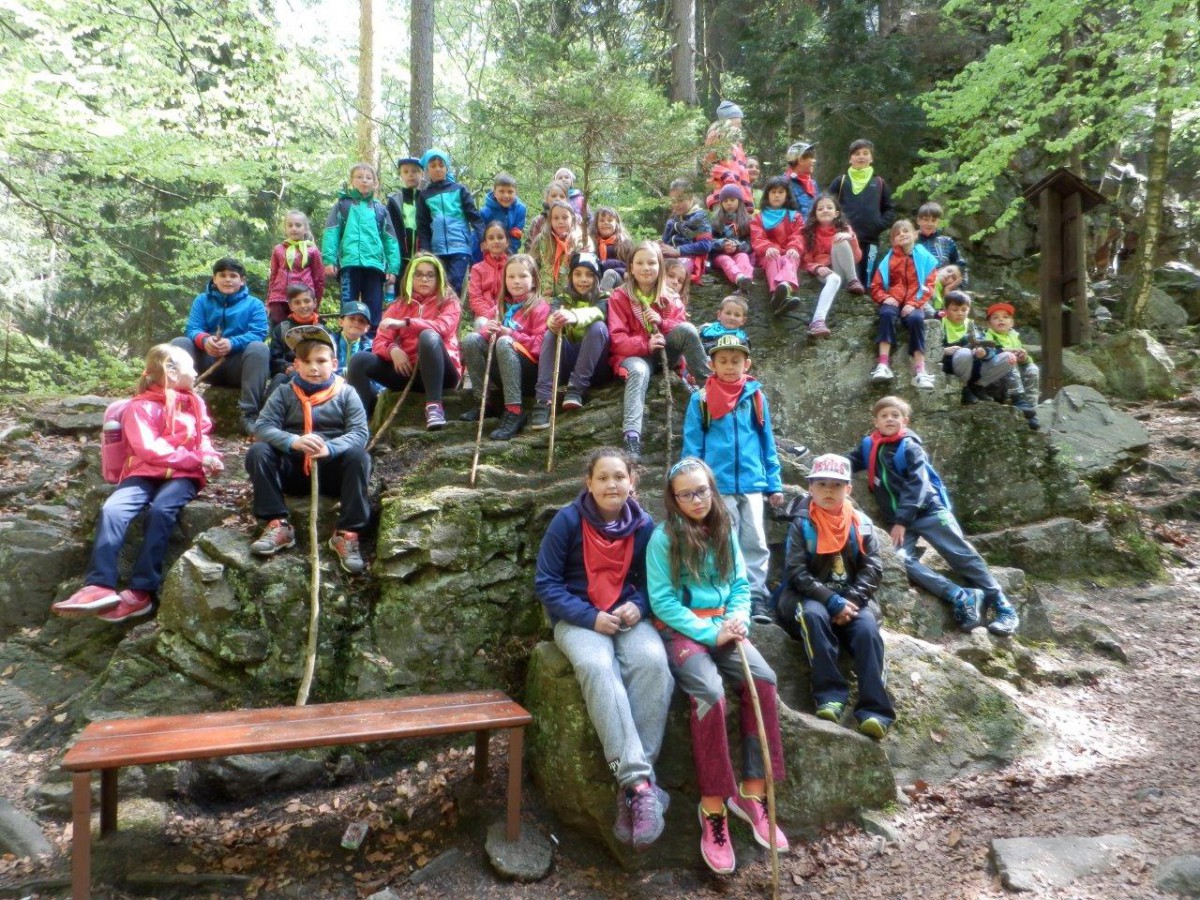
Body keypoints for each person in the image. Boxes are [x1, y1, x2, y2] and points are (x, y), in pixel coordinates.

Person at [646, 457, 788, 874]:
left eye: (702, 491)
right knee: (709, 694)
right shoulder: (663, 538)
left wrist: (739, 619)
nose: (696, 500)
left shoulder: (725, 526)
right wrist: (710, 634)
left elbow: (740, 585)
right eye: (686, 494)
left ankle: (753, 791)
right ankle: (713, 806)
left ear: (712, 488)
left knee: (763, 680)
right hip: (683, 630)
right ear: (673, 499)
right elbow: (663, 601)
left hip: (726, 624)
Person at [533, 448, 673, 850]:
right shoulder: (567, 521)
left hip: (627, 618)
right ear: (589, 483)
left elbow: (652, 583)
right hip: (579, 619)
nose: (612, 484)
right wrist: (590, 617)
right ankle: (639, 783)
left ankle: (634, 790)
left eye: (619, 477)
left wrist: (639, 605)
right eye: (603, 477)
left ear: (632, 481)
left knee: (653, 663)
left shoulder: (644, 526)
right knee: (597, 667)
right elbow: (546, 583)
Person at [52, 344, 222, 623]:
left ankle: (141, 592)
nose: (195, 372)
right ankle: (99, 585)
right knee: (113, 509)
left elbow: (202, 438)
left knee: (161, 511)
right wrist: (195, 459)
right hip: (144, 472)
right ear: (171, 372)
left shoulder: (195, 403)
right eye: (191, 367)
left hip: (184, 476)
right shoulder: (139, 406)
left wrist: (210, 457)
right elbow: (149, 449)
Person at [847, 396, 1020, 636]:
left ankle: (1004, 607)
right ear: (875, 421)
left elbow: (917, 484)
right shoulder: (869, 446)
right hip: (900, 520)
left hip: (929, 511)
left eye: (895, 415)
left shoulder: (910, 447)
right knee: (898, 560)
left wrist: (901, 521)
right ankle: (961, 596)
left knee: (961, 556)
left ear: (905, 421)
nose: (890, 419)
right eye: (884, 415)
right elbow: (848, 462)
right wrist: (821, 464)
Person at [775, 453, 895, 740]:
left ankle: (875, 710)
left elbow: (873, 568)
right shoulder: (802, 524)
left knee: (867, 629)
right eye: (822, 484)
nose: (829, 491)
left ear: (848, 489)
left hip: (853, 600)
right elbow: (796, 572)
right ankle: (829, 697)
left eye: (837, 485)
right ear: (810, 487)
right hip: (809, 598)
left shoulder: (861, 523)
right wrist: (831, 600)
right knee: (813, 616)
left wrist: (850, 600)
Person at [247, 325, 370, 575]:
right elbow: (262, 427)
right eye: (306, 361)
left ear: (334, 363)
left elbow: (360, 433)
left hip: (332, 472)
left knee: (360, 456)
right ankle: (278, 523)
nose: (314, 367)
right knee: (258, 451)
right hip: (292, 470)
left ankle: (346, 532)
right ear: (297, 365)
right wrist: (293, 441)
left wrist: (330, 447)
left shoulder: (347, 393)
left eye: (321, 361)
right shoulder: (284, 392)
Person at [680, 333, 784, 623]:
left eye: (735, 361)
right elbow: (692, 446)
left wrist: (774, 483)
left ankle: (756, 597)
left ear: (746, 364)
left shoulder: (756, 398)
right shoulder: (700, 400)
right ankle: (727, 595)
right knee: (723, 540)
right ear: (711, 365)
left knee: (755, 541)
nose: (729, 366)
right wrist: (691, 484)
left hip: (752, 483)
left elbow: (767, 442)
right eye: (723, 361)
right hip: (717, 485)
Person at [607, 241, 711, 461]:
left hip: (664, 355)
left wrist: (662, 323)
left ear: (660, 266)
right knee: (639, 371)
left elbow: (681, 325)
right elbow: (616, 339)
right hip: (633, 357)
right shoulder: (619, 297)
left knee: (687, 330)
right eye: (640, 263)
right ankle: (632, 436)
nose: (646, 268)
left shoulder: (670, 297)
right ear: (631, 267)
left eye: (652, 263)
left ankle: (711, 390)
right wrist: (645, 344)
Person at [346, 253, 462, 430]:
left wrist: (406, 323)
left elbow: (443, 327)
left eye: (430, 275)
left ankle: (434, 407)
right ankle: (360, 422)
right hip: (407, 372)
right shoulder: (398, 305)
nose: (424, 279)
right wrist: (392, 350)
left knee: (428, 336)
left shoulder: (449, 302)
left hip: (442, 375)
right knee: (359, 360)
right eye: (418, 274)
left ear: (439, 278)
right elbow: (380, 340)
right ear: (410, 277)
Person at [170, 257, 270, 435]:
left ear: (242, 280)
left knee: (259, 348)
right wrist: (205, 340)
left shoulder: (254, 304)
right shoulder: (202, 301)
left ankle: (249, 415)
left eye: (233, 276)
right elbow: (193, 328)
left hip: (238, 367)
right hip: (207, 362)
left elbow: (259, 332)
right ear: (214, 279)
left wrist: (232, 343)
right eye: (222, 275)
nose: (227, 280)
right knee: (179, 343)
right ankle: (174, 404)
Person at [460, 254, 549, 441]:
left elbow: (542, 346)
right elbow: (484, 337)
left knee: (504, 341)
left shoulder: (539, 307)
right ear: (505, 280)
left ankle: (514, 410)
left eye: (523, 276)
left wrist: (511, 334)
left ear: (534, 280)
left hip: (529, 373)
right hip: (503, 369)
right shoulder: (500, 307)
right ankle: (484, 402)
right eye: (511, 276)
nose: (516, 281)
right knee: (471, 339)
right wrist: (488, 331)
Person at [530, 251, 611, 429]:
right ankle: (543, 399)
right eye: (578, 274)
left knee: (598, 327)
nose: (583, 279)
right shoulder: (561, 299)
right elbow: (552, 316)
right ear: (570, 277)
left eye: (590, 275)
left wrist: (573, 316)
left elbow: (597, 313)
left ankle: (576, 389)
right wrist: (554, 321)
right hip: (566, 362)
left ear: (597, 278)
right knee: (551, 334)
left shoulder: (604, 299)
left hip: (595, 367)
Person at [322, 163, 401, 332]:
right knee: (348, 307)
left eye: (368, 177)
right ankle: (347, 340)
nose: (364, 180)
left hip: (375, 266)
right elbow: (331, 232)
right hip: (349, 263)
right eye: (359, 177)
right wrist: (329, 260)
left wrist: (392, 268)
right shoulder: (342, 206)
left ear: (375, 183)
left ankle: (372, 341)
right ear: (352, 181)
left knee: (374, 306)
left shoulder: (380, 209)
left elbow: (390, 240)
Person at [870, 219, 937, 388]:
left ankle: (920, 371)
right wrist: (884, 298)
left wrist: (914, 303)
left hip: (913, 302)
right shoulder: (889, 259)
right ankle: (883, 364)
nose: (902, 235)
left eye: (906, 231)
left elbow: (928, 285)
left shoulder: (925, 258)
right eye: (897, 234)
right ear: (893, 240)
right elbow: (876, 285)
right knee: (886, 314)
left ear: (915, 234)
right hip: (893, 299)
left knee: (916, 319)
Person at [827, 139, 896, 287]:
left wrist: (879, 225)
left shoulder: (879, 183)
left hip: (870, 242)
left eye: (865, 153)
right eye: (857, 153)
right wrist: (836, 225)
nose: (861, 157)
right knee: (847, 280)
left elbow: (890, 208)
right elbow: (826, 204)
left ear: (871, 158)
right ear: (850, 158)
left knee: (868, 281)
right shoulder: (841, 181)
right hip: (844, 240)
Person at [415, 148, 481, 297]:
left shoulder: (459, 190)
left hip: (460, 246)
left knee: (454, 282)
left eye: (441, 165)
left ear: (446, 167)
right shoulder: (425, 196)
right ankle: (438, 311)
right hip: (437, 249)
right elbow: (423, 227)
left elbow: (474, 216)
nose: (437, 169)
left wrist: (483, 238)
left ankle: (452, 311)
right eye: (433, 166)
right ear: (427, 170)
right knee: (438, 283)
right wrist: (426, 251)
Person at [802, 193, 864, 338]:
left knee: (840, 239)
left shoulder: (844, 228)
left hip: (841, 268)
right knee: (834, 279)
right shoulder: (808, 233)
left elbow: (857, 257)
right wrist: (817, 268)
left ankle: (853, 280)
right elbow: (806, 261)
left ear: (836, 213)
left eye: (829, 207)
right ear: (815, 214)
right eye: (820, 208)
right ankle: (818, 322)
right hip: (823, 271)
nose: (825, 210)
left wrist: (850, 238)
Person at [939, 291, 1015, 406]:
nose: (960, 313)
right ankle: (963, 388)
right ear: (945, 309)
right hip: (952, 368)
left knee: (1010, 358)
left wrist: (984, 353)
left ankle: (978, 386)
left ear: (969, 310)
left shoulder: (971, 325)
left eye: (964, 310)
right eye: (955, 310)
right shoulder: (939, 324)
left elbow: (987, 346)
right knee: (964, 353)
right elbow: (928, 350)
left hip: (975, 368)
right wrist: (944, 351)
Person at [750, 176, 805, 315]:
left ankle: (783, 290)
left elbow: (799, 235)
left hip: (788, 252)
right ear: (767, 195)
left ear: (787, 195)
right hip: (768, 254)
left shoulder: (795, 216)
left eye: (781, 192)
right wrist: (767, 247)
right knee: (773, 257)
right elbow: (757, 237)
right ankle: (780, 293)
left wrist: (794, 248)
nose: (777, 195)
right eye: (773, 192)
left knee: (791, 257)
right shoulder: (759, 217)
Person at [985, 302, 1040, 428]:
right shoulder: (987, 335)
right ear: (989, 323)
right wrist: (1008, 352)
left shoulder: (1014, 336)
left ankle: (1031, 408)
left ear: (1012, 323)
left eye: (1005, 317)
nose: (1001, 320)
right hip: (996, 380)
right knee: (1010, 359)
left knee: (1032, 369)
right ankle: (1018, 399)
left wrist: (1024, 357)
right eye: (995, 317)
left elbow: (1026, 361)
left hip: (1015, 374)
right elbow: (989, 354)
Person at [266, 210, 324, 326]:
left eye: (298, 225)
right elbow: (273, 276)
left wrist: (315, 302)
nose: (294, 228)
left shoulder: (312, 250)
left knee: (301, 329)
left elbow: (319, 278)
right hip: (279, 298)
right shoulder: (278, 249)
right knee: (279, 328)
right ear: (285, 228)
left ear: (305, 228)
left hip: (302, 298)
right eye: (290, 225)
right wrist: (269, 300)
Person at [660, 179, 713, 286]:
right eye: (673, 201)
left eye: (680, 200)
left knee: (670, 273)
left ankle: (671, 296)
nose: (676, 204)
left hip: (689, 258)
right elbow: (665, 242)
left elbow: (706, 245)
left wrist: (678, 251)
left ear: (691, 198)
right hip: (670, 258)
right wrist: (660, 245)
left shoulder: (699, 217)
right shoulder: (673, 219)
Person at [268, 284, 322, 389]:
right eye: (297, 302)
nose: (303, 306)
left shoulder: (322, 330)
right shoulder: (282, 329)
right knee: (279, 378)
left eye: (307, 301)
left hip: (314, 372)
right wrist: (285, 367)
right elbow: (274, 357)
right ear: (291, 306)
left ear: (314, 303)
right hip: (289, 371)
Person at [529, 200, 584, 298]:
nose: (560, 221)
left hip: (570, 296)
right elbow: (533, 265)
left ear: (572, 218)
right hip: (545, 294)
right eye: (556, 218)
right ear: (550, 220)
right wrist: (534, 288)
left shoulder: (579, 241)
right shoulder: (542, 240)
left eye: (565, 217)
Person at [703, 101, 752, 209]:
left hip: (738, 199)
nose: (740, 125)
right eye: (737, 120)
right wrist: (728, 176)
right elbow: (709, 165)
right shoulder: (718, 137)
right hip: (723, 198)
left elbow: (741, 172)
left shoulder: (737, 146)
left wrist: (747, 200)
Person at [472, 171, 526, 261]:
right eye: (501, 191)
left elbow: (515, 236)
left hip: (508, 250)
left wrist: (509, 256)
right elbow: (479, 239)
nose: (506, 195)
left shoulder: (520, 210)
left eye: (510, 192)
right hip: (486, 253)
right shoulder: (485, 212)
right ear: (494, 192)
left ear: (516, 192)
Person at [709, 184, 754, 293]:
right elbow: (708, 241)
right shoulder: (715, 220)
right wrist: (722, 244)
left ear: (739, 201)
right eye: (725, 201)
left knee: (743, 257)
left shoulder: (747, 220)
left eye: (732, 200)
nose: (729, 203)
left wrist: (737, 246)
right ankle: (739, 278)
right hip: (719, 255)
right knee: (726, 260)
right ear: (721, 203)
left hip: (739, 252)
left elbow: (750, 243)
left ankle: (747, 281)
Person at [385, 152, 423, 276]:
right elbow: (388, 229)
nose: (410, 175)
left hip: (421, 256)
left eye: (415, 171)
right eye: (405, 172)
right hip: (400, 257)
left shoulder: (426, 199)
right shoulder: (394, 201)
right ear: (401, 175)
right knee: (400, 286)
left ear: (422, 174)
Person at [915, 202, 967, 289]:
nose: (930, 223)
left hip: (942, 290)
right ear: (918, 221)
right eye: (926, 220)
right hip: (917, 288)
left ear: (938, 222)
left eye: (933, 220)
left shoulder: (947, 242)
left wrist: (955, 288)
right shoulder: (911, 242)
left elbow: (961, 268)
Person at [467, 221, 509, 327]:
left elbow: (515, 295)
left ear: (507, 242)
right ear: (484, 244)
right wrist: (490, 314)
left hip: (509, 313)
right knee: (482, 324)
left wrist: (501, 312)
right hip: (484, 316)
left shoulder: (512, 266)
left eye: (500, 237)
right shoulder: (477, 269)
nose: (496, 241)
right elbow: (475, 298)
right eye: (491, 238)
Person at [590, 206, 633, 291]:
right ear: (596, 224)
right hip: (597, 278)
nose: (606, 223)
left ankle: (601, 298)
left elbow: (629, 266)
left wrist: (605, 264)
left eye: (610, 220)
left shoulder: (624, 243)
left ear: (616, 223)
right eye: (602, 220)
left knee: (609, 273)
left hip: (619, 278)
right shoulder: (592, 243)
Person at [525, 182, 570, 248]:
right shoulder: (538, 221)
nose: (558, 199)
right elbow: (530, 246)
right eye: (553, 196)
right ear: (546, 199)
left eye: (562, 196)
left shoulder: (572, 219)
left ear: (566, 200)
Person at [333, 301, 372, 376]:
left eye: (361, 321)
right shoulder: (329, 342)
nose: (356, 322)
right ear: (341, 322)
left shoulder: (371, 348)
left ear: (367, 328)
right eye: (352, 318)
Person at [783, 141, 818, 222]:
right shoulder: (783, 183)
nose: (814, 161)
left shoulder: (813, 184)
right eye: (811, 157)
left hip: (811, 229)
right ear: (801, 160)